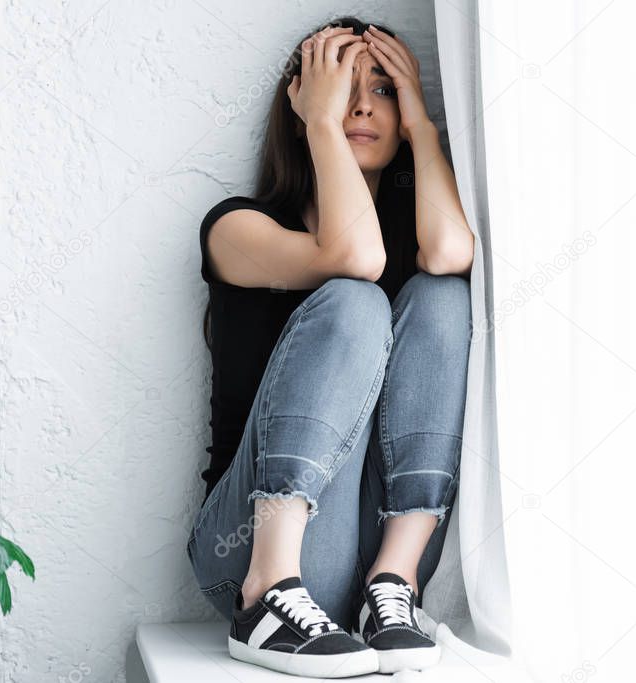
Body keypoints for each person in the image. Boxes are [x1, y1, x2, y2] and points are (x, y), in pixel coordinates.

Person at [185, 16, 474, 677]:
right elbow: (353, 257)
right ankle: (268, 596)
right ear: (302, 104)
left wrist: (423, 126)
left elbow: (453, 252)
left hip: (366, 558)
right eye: (342, 86)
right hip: (248, 551)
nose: (363, 104)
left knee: (443, 293)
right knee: (354, 297)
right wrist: (320, 126)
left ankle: (393, 586)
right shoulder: (237, 227)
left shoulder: (415, 229)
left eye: (383, 89)